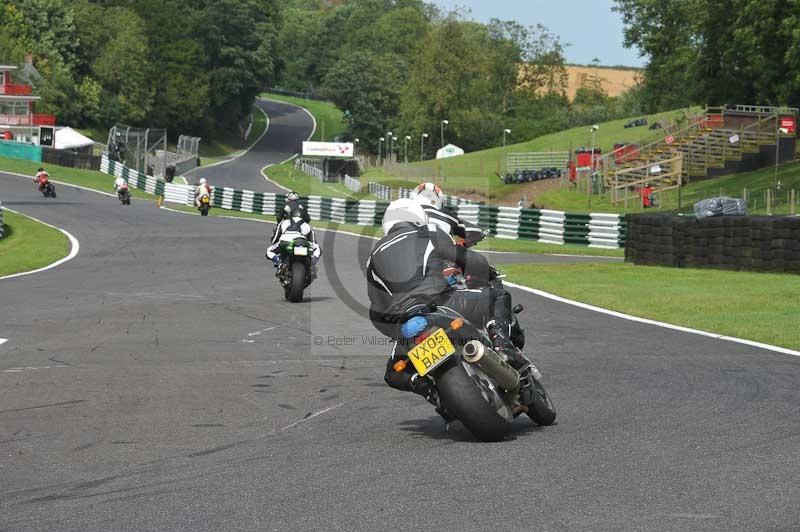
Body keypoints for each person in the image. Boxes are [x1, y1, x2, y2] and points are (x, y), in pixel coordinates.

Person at [366, 198, 526, 398]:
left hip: (406, 322)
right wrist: (487, 272)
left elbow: (375, 306)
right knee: (498, 296)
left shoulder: (373, 256)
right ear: (418, 216)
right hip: (440, 303)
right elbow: (469, 259)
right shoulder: (428, 232)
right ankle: (502, 344)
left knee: (394, 372)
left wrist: (396, 330)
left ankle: (431, 393)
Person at [410, 182, 485, 247]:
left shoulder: (404, 214)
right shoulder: (445, 215)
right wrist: (462, 245)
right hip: (439, 260)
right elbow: (475, 231)